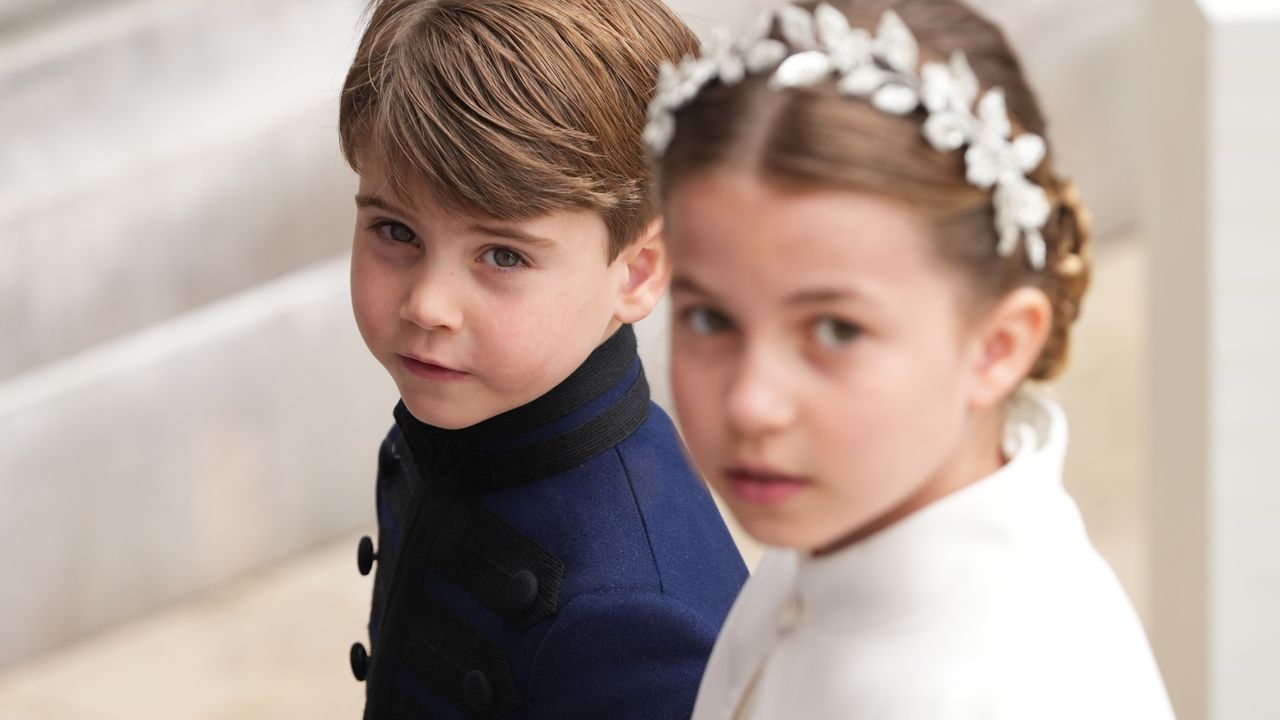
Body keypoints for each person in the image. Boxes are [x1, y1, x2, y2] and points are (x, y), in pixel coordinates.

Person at [648, 1, 1175, 716]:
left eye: (834, 331)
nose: (751, 401)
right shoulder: (843, 525)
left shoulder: (1004, 688)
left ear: (997, 347)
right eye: (711, 318)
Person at [338, 2, 748, 717]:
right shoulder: (453, 429)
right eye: (396, 230)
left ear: (639, 272)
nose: (428, 304)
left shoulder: (639, 618)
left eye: (503, 254)